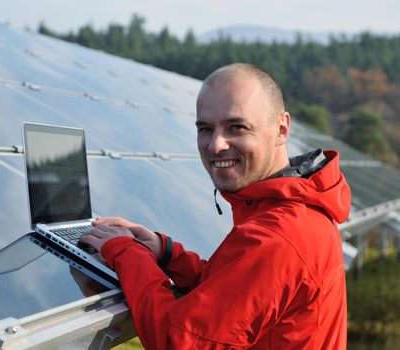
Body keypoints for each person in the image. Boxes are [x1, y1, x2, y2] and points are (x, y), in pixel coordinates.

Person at [80, 63, 351, 349]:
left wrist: (126, 252)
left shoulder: (278, 237)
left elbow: (177, 342)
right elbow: (235, 295)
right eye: (206, 129)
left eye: (237, 127)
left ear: (281, 128)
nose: (215, 145)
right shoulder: (291, 209)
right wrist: (167, 254)